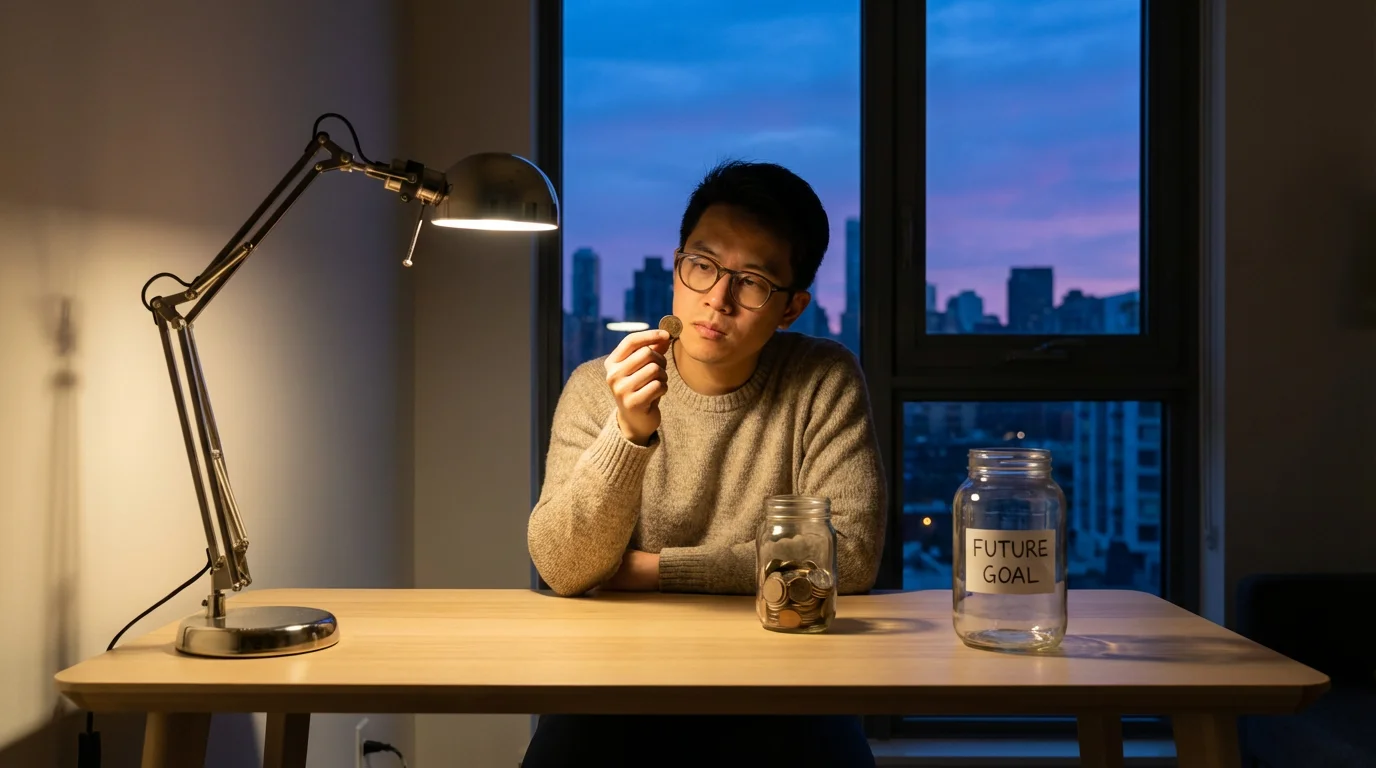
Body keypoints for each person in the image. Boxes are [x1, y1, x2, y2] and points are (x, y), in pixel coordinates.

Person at [523, 160, 887, 767]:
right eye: (703, 265)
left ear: (790, 307)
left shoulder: (822, 379)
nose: (717, 299)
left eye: (752, 281)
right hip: (616, 683)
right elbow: (562, 566)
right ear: (677, 266)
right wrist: (630, 434)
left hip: (789, 682)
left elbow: (846, 556)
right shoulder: (598, 386)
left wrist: (654, 571)